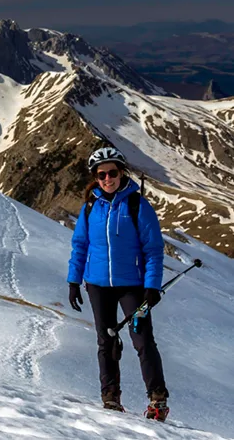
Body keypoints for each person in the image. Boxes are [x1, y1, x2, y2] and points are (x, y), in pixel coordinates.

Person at [67, 146, 170, 420]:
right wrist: (74, 281)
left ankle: (158, 400)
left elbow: (153, 249)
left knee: (142, 339)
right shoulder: (91, 206)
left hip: (131, 286)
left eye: (112, 173)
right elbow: (80, 245)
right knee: (106, 342)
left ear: (122, 172)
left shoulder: (137, 205)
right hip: (97, 285)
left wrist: (152, 286)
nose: (107, 179)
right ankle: (110, 398)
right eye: (102, 175)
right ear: (96, 178)